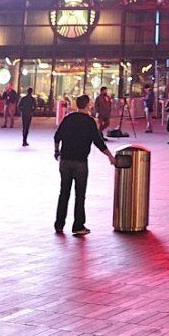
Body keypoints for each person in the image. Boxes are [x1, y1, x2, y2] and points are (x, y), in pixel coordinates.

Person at [53, 95, 113, 234]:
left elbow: (57, 136)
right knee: (80, 195)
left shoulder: (68, 118)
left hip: (65, 160)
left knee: (64, 192)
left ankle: (59, 224)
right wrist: (110, 156)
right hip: (80, 161)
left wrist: (57, 152)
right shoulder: (89, 122)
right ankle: (78, 225)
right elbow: (98, 142)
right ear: (87, 105)